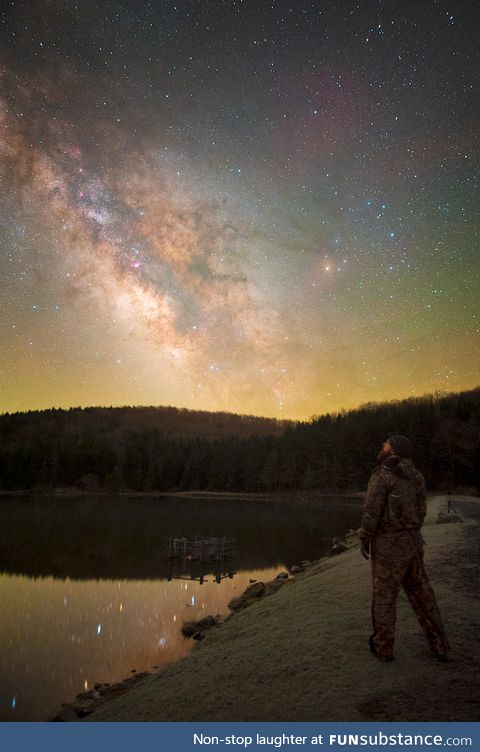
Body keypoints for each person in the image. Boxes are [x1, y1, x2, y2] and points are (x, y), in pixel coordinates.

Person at [359, 434, 449, 663]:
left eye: (385, 444)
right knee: (423, 595)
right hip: (413, 543)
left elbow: (372, 511)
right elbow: (421, 511)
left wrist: (365, 537)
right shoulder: (417, 476)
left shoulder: (383, 476)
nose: (382, 446)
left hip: (389, 547)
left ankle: (383, 648)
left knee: (384, 599)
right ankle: (439, 645)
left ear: (393, 450)